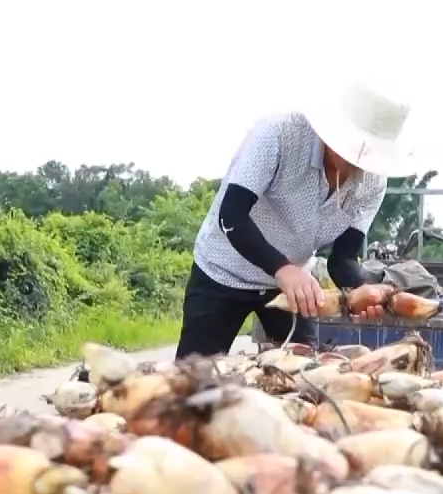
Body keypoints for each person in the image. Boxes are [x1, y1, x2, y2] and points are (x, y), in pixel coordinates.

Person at [175, 80, 418, 360]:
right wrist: (284, 269)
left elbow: (343, 258)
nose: (357, 161)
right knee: (191, 380)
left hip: (295, 286)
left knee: (305, 376)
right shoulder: (278, 134)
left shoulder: (373, 182)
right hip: (225, 271)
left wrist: (360, 290)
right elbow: (232, 215)